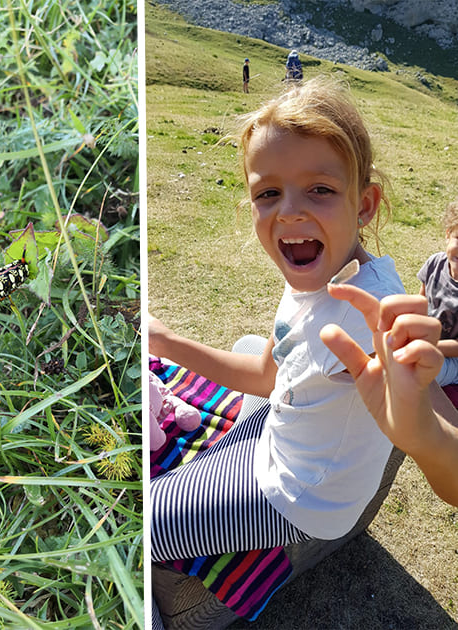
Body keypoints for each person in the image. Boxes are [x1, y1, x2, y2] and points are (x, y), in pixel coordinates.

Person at [148, 76, 403, 562]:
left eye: (320, 189)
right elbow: (268, 375)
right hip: (281, 440)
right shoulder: (318, 268)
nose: (288, 212)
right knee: (251, 349)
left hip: (304, 500)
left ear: (365, 205)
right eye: (268, 194)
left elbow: (431, 419)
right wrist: (167, 341)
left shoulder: (369, 318)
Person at [322, 284, 458, 506]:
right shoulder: (435, 263)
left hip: (441, 354)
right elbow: (267, 376)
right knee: (249, 343)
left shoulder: (376, 296)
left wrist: (429, 438)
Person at [415, 200, 458, 386]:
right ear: (448, 235)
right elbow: (419, 303)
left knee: (417, 372)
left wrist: (430, 347)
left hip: (453, 358)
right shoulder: (435, 263)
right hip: (429, 343)